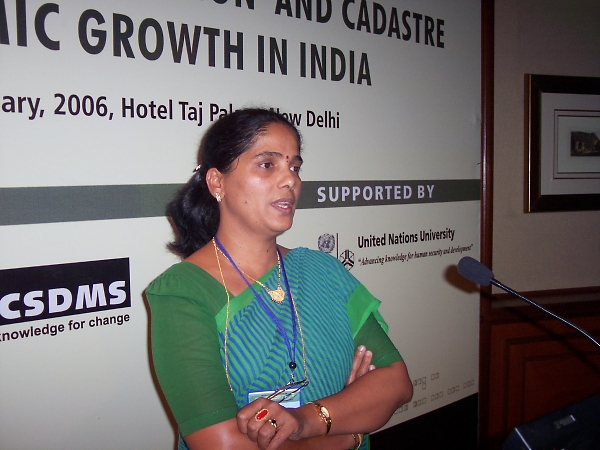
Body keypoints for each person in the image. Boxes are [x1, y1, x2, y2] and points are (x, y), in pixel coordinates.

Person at [146, 108, 413, 450]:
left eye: (295, 167)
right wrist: (348, 434)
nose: (290, 180)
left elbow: (395, 382)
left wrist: (305, 421)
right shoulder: (184, 292)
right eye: (267, 164)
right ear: (217, 182)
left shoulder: (322, 271)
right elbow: (222, 445)